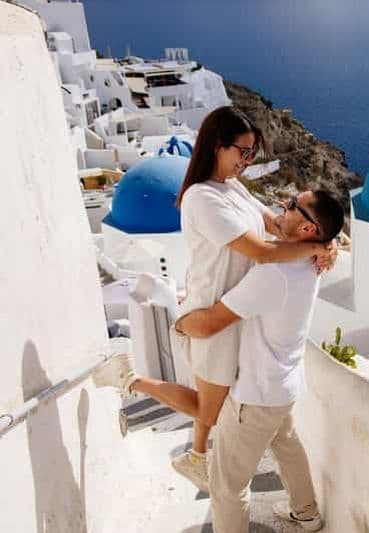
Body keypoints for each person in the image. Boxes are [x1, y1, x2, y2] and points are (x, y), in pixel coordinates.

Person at [92, 106, 336, 492]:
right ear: (217, 146)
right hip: (211, 317)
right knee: (214, 410)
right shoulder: (202, 198)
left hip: (236, 312)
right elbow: (262, 251)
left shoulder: (232, 186)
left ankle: (197, 458)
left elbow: (274, 224)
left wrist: (327, 242)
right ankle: (128, 378)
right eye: (242, 151)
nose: (247, 160)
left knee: (218, 405)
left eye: (252, 153)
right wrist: (317, 246)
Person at [177, 189, 344, 532]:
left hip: (256, 394)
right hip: (284, 384)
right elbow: (250, 203)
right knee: (286, 444)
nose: (283, 205)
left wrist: (177, 323)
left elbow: (209, 323)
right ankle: (306, 512)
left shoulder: (275, 273)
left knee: (227, 485)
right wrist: (329, 245)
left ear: (308, 230)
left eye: (294, 205)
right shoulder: (308, 261)